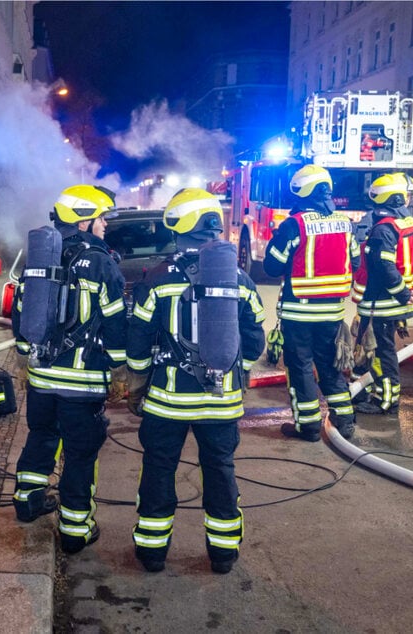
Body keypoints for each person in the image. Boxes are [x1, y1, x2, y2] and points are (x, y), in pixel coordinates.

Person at [126, 188, 265, 575]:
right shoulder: (240, 280)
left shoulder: (156, 279)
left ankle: (152, 552)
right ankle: (223, 554)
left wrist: (137, 381)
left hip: (166, 402)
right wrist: (239, 372)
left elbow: (138, 341)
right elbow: (255, 340)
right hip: (221, 403)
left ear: (178, 227)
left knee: (158, 470)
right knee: (220, 471)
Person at [11, 184, 127, 555]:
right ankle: (76, 529)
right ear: (84, 220)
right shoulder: (100, 261)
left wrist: (26, 356)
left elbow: (20, 312)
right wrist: (122, 367)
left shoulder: (42, 256)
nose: (105, 224)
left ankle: (26, 499)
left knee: (41, 436)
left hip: (42, 377)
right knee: (80, 453)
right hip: (83, 381)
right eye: (101, 218)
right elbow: (115, 323)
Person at [263, 165, 360, 442]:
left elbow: (272, 266)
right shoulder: (344, 223)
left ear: (301, 191)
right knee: (329, 366)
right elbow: (354, 262)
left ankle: (307, 426)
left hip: (299, 313)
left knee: (301, 367)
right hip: (332, 312)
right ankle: (345, 420)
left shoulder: (295, 224)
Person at [353, 173, 413, 415]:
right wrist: (408, 295)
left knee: (380, 353)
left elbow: (385, 268)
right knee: (371, 350)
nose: (408, 199)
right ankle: (362, 390)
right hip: (395, 303)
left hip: (382, 304)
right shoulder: (409, 225)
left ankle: (385, 400)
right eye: (406, 194)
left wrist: (402, 294)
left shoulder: (384, 230)